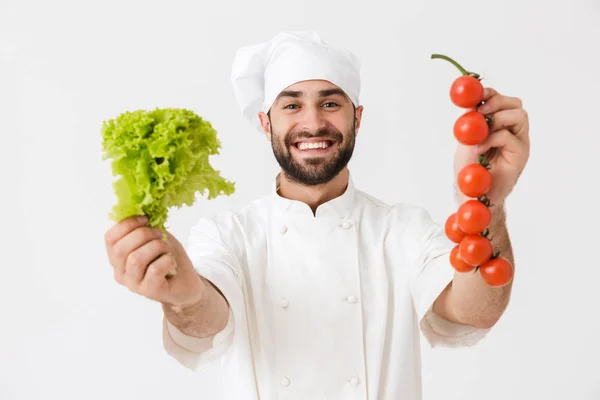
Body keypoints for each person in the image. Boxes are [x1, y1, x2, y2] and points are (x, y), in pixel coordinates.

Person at [104, 31, 530, 399]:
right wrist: (185, 297)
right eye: (291, 106)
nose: (312, 123)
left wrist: (483, 201)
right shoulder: (228, 234)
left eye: (330, 104)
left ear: (357, 118)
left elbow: (475, 309)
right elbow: (207, 316)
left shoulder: (402, 230)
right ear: (265, 123)